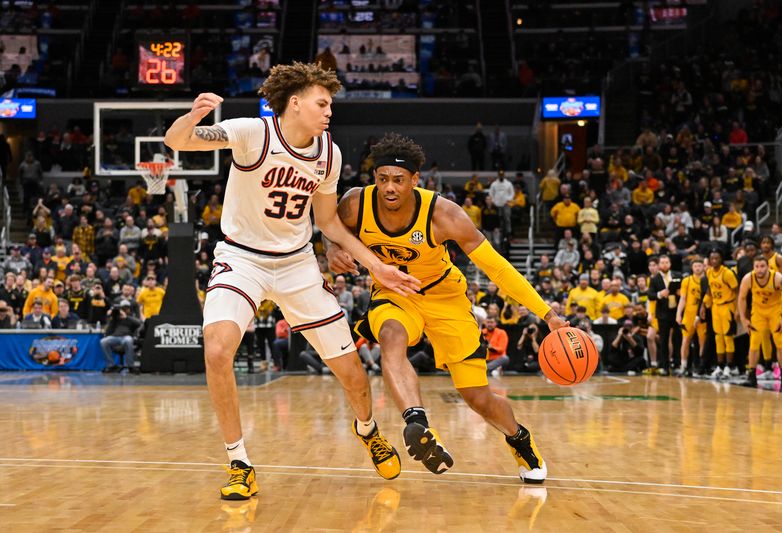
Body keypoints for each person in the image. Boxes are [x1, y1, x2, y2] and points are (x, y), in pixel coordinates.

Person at [163, 63, 419, 499]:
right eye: (323, 103)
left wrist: (376, 265)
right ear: (295, 103)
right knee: (218, 350)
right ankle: (239, 461)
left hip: (297, 264)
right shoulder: (252, 133)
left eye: (331, 104)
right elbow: (177, 142)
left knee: (353, 374)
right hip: (241, 258)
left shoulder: (329, 154)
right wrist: (193, 118)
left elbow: (329, 224)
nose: (329, 111)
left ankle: (368, 429)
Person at [326, 133, 567, 484]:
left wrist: (547, 313)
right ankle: (418, 425)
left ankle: (519, 438)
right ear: (373, 178)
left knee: (478, 398)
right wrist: (332, 248)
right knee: (391, 336)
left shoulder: (443, 214)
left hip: (445, 298)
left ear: (414, 180)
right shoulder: (355, 204)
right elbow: (329, 228)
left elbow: (498, 268)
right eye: (382, 179)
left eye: (398, 180)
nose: (389, 188)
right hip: (395, 295)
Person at [738, 255, 782, 386]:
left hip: (775, 310)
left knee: (780, 341)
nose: (759, 269)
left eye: (762, 266)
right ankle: (751, 375)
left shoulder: (777, 278)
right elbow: (742, 298)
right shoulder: (748, 279)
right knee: (754, 342)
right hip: (758, 312)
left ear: (768, 267)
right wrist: (743, 319)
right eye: (756, 266)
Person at [702, 249, 739, 379]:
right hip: (715, 307)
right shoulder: (709, 272)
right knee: (718, 337)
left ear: (721, 259)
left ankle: (730, 366)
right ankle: (720, 366)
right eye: (712, 258)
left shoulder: (727, 273)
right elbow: (709, 289)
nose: (714, 261)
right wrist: (703, 305)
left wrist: (738, 309)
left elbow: (738, 290)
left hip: (727, 306)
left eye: (717, 258)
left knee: (728, 338)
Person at [648, 255, 681, 375]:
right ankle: (665, 366)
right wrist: (660, 294)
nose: (664, 265)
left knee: (678, 339)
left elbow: (684, 291)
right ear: (659, 265)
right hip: (663, 314)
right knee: (664, 340)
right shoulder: (654, 279)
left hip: (676, 312)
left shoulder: (678, 275)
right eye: (662, 263)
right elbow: (650, 295)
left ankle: (677, 364)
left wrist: (679, 292)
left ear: (670, 264)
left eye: (666, 262)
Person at [674, 259, 707, 377]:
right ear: (692, 268)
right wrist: (678, 314)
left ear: (704, 267)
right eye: (695, 266)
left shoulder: (706, 280)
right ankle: (683, 366)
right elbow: (682, 299)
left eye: (699, 266)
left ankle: (701, 367)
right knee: (685, 341)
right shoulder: (686, 281)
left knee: (702, 342)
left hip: (702, 315)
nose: (697, 268)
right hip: (688, 315)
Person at [99, 300, 141, 373]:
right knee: (103, 341)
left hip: (126, 337)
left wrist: (126, 317)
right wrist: (110, 317)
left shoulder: (131, 318)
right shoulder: (115, 318)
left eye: (126, 308)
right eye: (123, 308)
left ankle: (130, 366)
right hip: (115, 337)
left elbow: (139, 323)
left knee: (128, 340)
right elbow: (108, 331)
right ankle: (111, 365)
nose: (125, 310)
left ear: (129, 309)